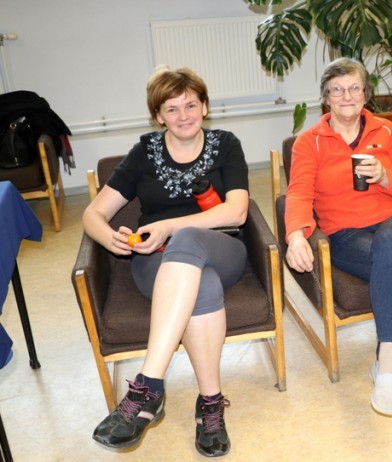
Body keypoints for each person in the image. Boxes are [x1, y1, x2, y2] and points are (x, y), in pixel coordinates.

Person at [82, 67, 249, 457]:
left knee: (187, 237)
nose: (183, 115)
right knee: (203, 285)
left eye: (190, 105)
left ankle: (147, 387)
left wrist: (170, 226)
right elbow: (93, 214)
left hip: (222, 249)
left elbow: (238, 211)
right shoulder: (144, 153)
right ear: (158, 116)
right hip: (155, 263)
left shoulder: (226, 145)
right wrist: (109, 237)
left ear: (205, 107)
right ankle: (210, 405)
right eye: (171, 109)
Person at [284, 57, 392, 416]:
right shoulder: (309, 142)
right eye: (337, 90)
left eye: (353, 88)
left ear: (365, 94)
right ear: (325, 98)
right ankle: (388, 368)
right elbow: (299, 192)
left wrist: (385, 175)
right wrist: (296, 235)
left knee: (391, 240)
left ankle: (386, 367)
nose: (346, 96)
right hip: (345, 233)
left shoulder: (386, 131)